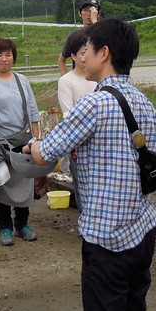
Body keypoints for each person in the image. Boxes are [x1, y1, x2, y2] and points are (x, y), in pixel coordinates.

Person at [25, 17, 156, 311]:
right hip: (142, 227)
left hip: (106, 236)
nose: (79, 56)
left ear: (104, 53)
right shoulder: (144, 101)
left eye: (86, 48)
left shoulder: (94, 103)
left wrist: (31, 147)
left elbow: (46, 152)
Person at [0, 38, 42, 246]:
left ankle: (22, 224)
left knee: (25, 183)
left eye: (8, 55)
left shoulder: (21, 80)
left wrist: (36, 137)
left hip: (22, 141)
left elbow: (32, 110)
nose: (4, 59)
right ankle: (4, 228)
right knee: (1, 185)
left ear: (13, 57)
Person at [58, 29, 97, 208]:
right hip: (79, 145)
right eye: (82, 53)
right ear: (73, 56)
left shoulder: (98, 78)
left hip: (100, 142)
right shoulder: (66, 81)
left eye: (89, 52)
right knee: (82, 187)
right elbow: (68, 116)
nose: (86, 57)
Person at [58, 0, 101, 75]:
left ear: (98, 12)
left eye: (93, 10)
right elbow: (61, 60)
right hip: (79, 81)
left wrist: (95, 21)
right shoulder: (74, 37)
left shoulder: (106, 34)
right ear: (79, 13)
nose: (89, 14)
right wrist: (66, 80)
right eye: (85, 10)